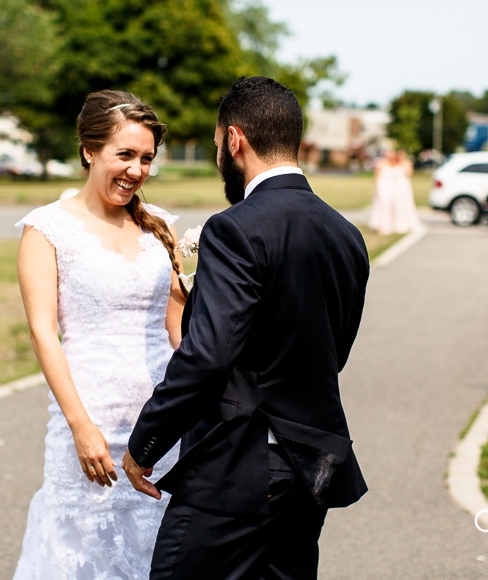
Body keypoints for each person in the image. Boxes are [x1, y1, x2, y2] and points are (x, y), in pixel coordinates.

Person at [122, 77, 370, 579]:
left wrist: (143, 444)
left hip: (240, 470)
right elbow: (332, 352)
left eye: (217, 147)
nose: (219, 159)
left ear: (235, 140)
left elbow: (207, 355)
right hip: (313, 468)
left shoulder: (234, 228)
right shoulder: (347, 234)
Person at [13, 90, 187, 579]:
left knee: (158, 553)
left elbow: (179, 330)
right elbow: (44, 333)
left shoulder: (161, 228)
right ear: (90, 150)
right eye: (125, 154)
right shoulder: (46, 229)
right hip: (90, 422)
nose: (136, 170)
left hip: (160, 421)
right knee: (83, 552)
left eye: (147, 158)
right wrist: (80, 426)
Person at [367, 146, 420, 235]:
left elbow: (408, 174)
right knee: (383, 205)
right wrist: (376, 188)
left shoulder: (402, 163)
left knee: (399, 206)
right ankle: (382, 225)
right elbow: (376, 176)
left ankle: (395, 224)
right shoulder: (382, 163)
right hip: (384, 186)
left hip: (399, 188)